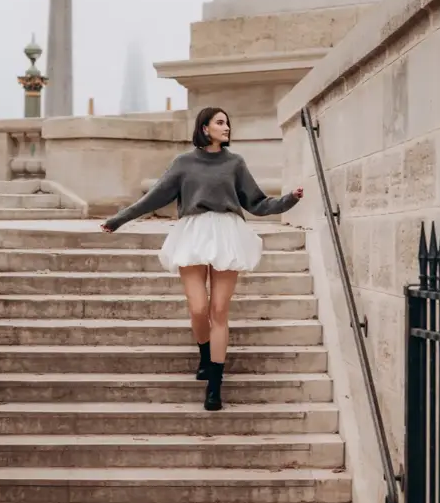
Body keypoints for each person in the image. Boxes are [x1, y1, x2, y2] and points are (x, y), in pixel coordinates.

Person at [101, 107, 303, 411]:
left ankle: (214, 385)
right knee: (198, 308)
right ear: (205, 128)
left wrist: (289, 200)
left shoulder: (235, 163)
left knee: (219, 310)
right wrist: (118, 220)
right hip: (193, 232)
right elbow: (154, 197)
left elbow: (257, 202)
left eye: (228, 122)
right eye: (220, 122)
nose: (226, 127)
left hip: (227, 232)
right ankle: (205, 354)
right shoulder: (184, 163)